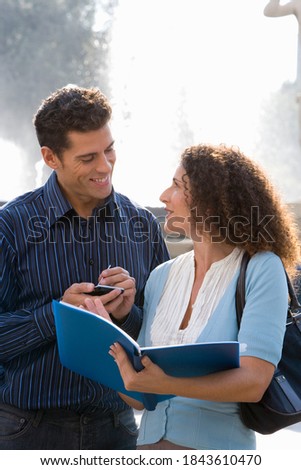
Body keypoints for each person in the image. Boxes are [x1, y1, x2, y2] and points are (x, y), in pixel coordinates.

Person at [89, 143, 300, 450]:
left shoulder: (260, 268)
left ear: (212, 201)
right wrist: (102, 334)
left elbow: (255, 382)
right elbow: (139, 397)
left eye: (176, 186)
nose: (163, 196)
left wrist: (167, 385)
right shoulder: (161, 276)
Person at [0, 85, 170, 450]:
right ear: (50, 157)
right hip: (27, 431)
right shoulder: (9, 227)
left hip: (119, 430)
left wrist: (129, 315)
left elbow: (167, 339)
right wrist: (58, 315)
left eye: (109, 149)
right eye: (88, 157)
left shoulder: (142, 225)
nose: (104, 166)